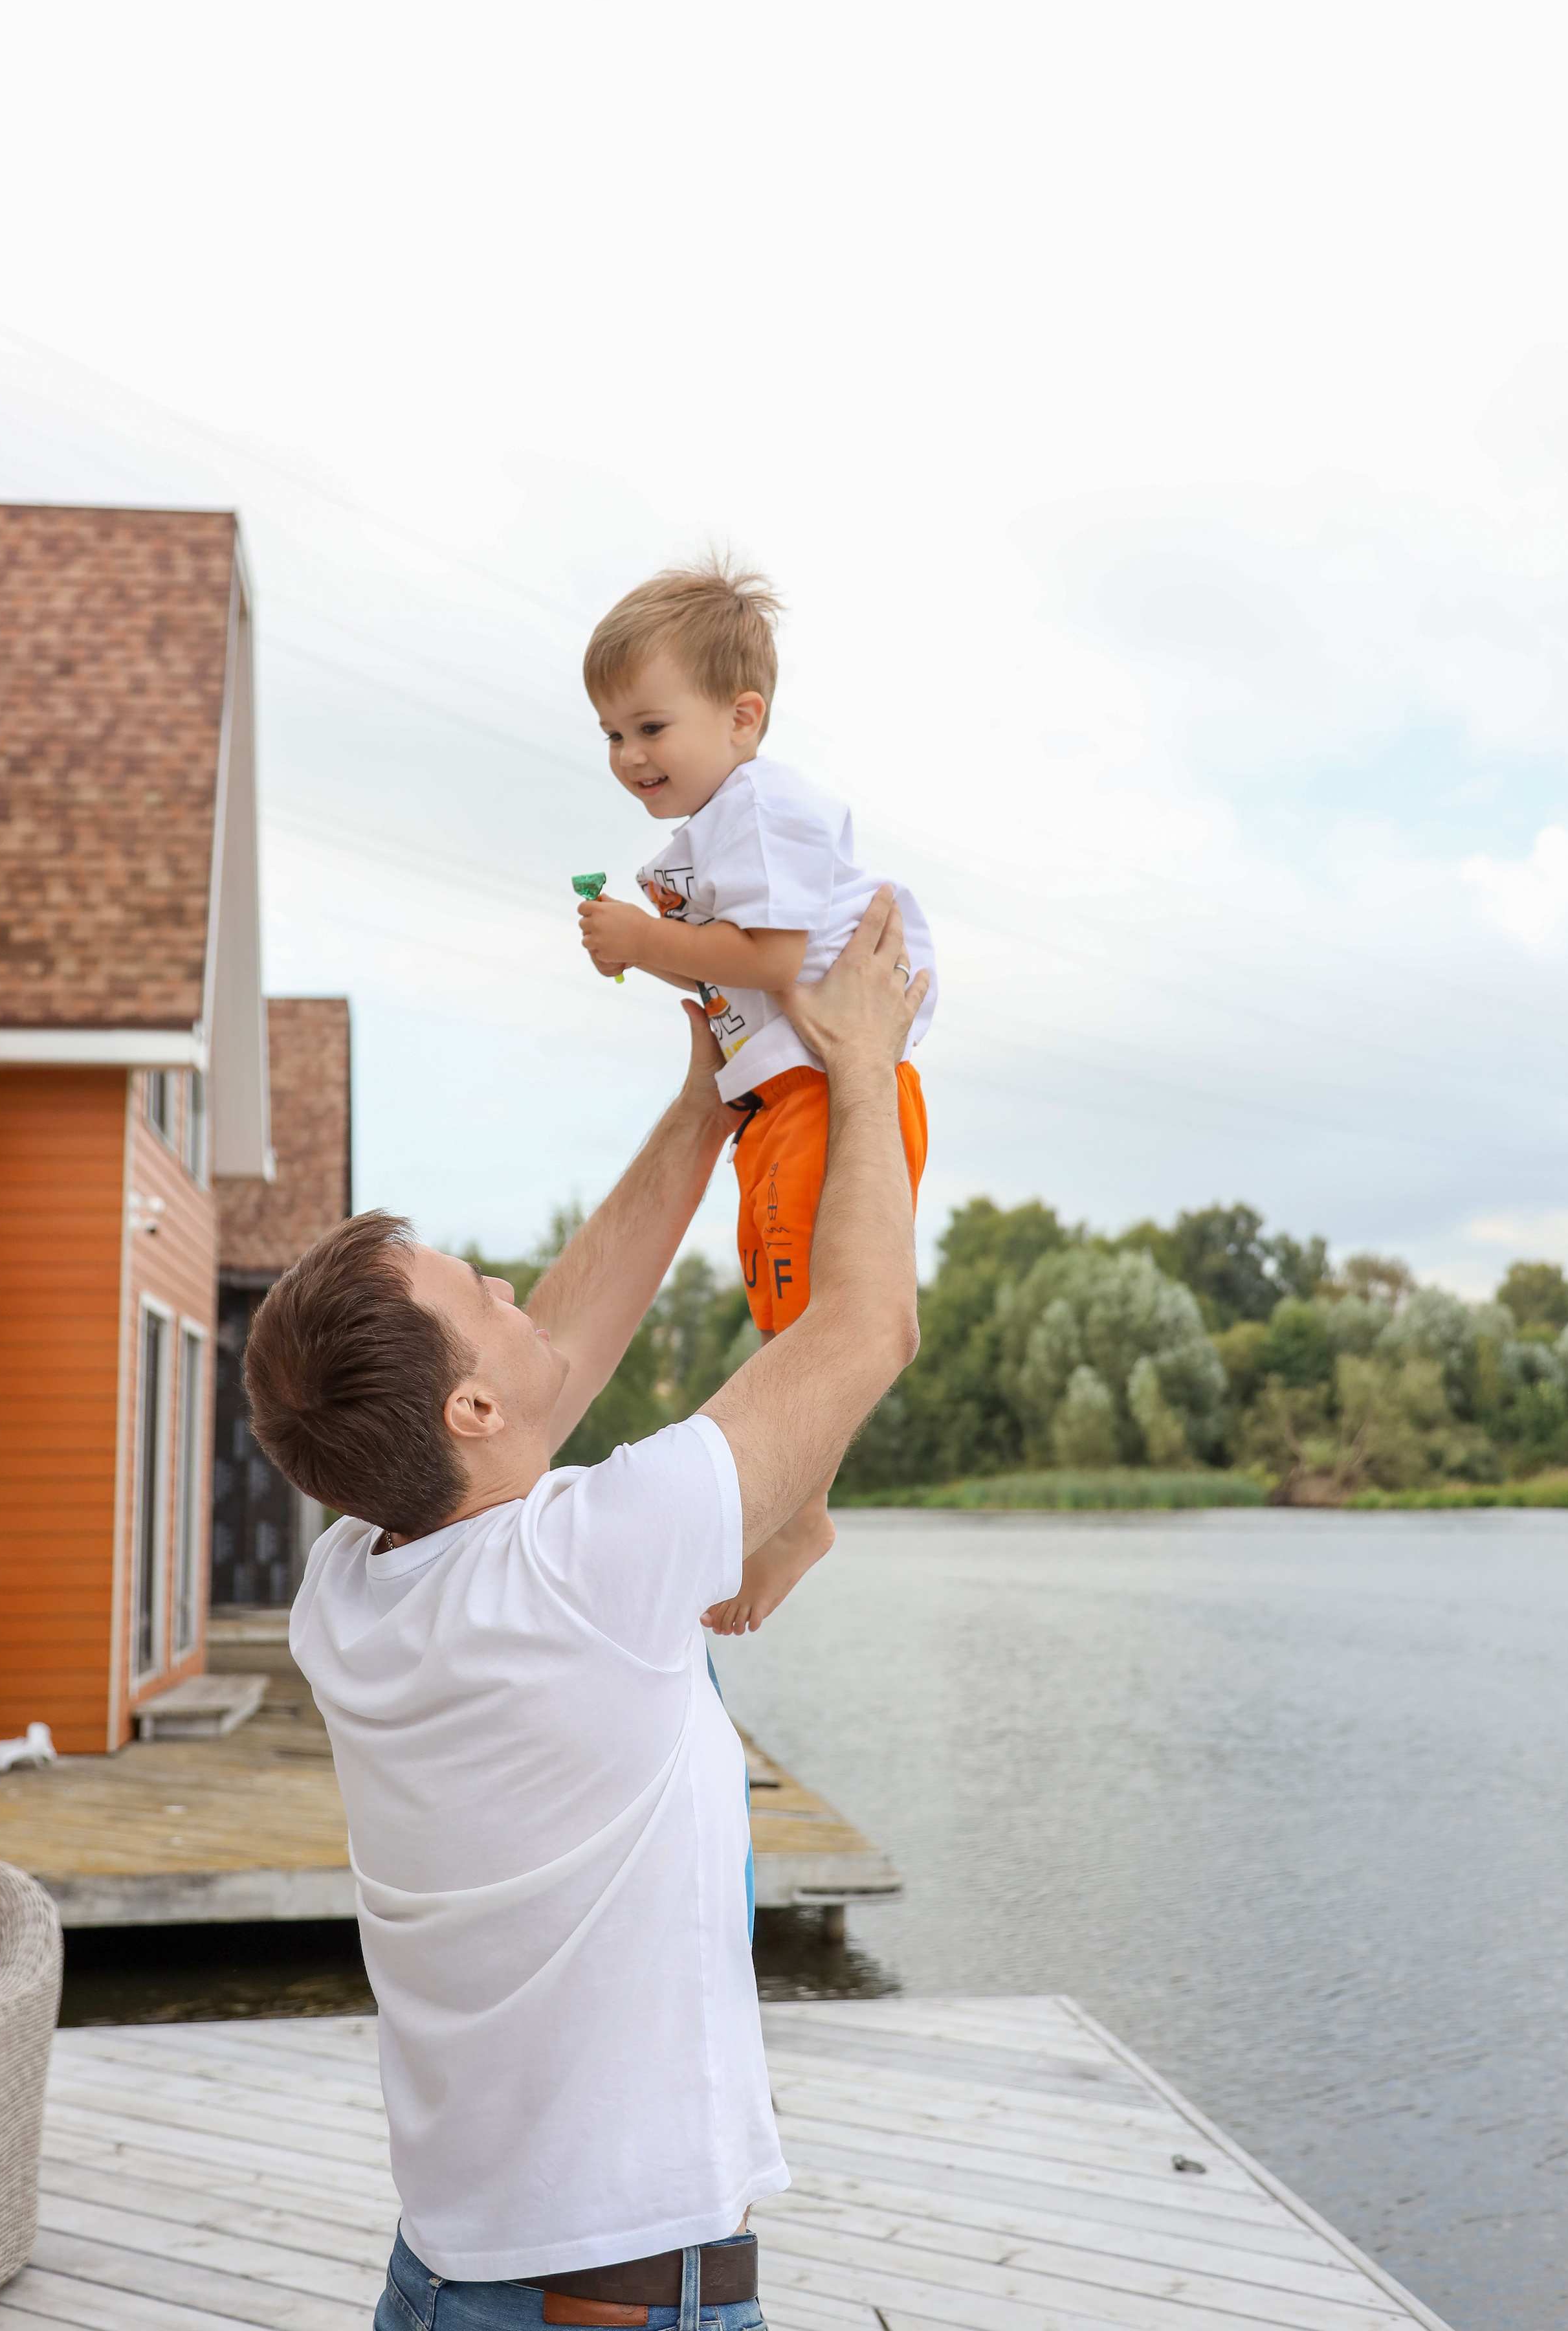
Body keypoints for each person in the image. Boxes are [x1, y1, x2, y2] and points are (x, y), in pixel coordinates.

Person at [244, 893, 928, 2331]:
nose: (513, 1286)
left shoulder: (349, 1592)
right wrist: (859, 1071)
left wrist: (705, 1103)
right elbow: (862, 1330)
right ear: (469, 1407)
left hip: (448, 2271)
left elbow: (533, 1372)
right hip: (614, 2302)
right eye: (479, 1288)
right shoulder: (582, 1569)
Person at [575, 561, 937, 1637]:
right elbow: (736, 963)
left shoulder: (761, 810)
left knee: (815, 1323)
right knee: (783, 1308)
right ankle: (797, 1507)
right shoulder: (715, 830)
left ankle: (797, 1512)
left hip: (828, 1092)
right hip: (783, 1102)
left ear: (744, 719)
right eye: (609, 735)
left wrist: (647, 943)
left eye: (648, 727)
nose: (629, 758)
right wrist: (653, 954)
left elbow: (776, 953)